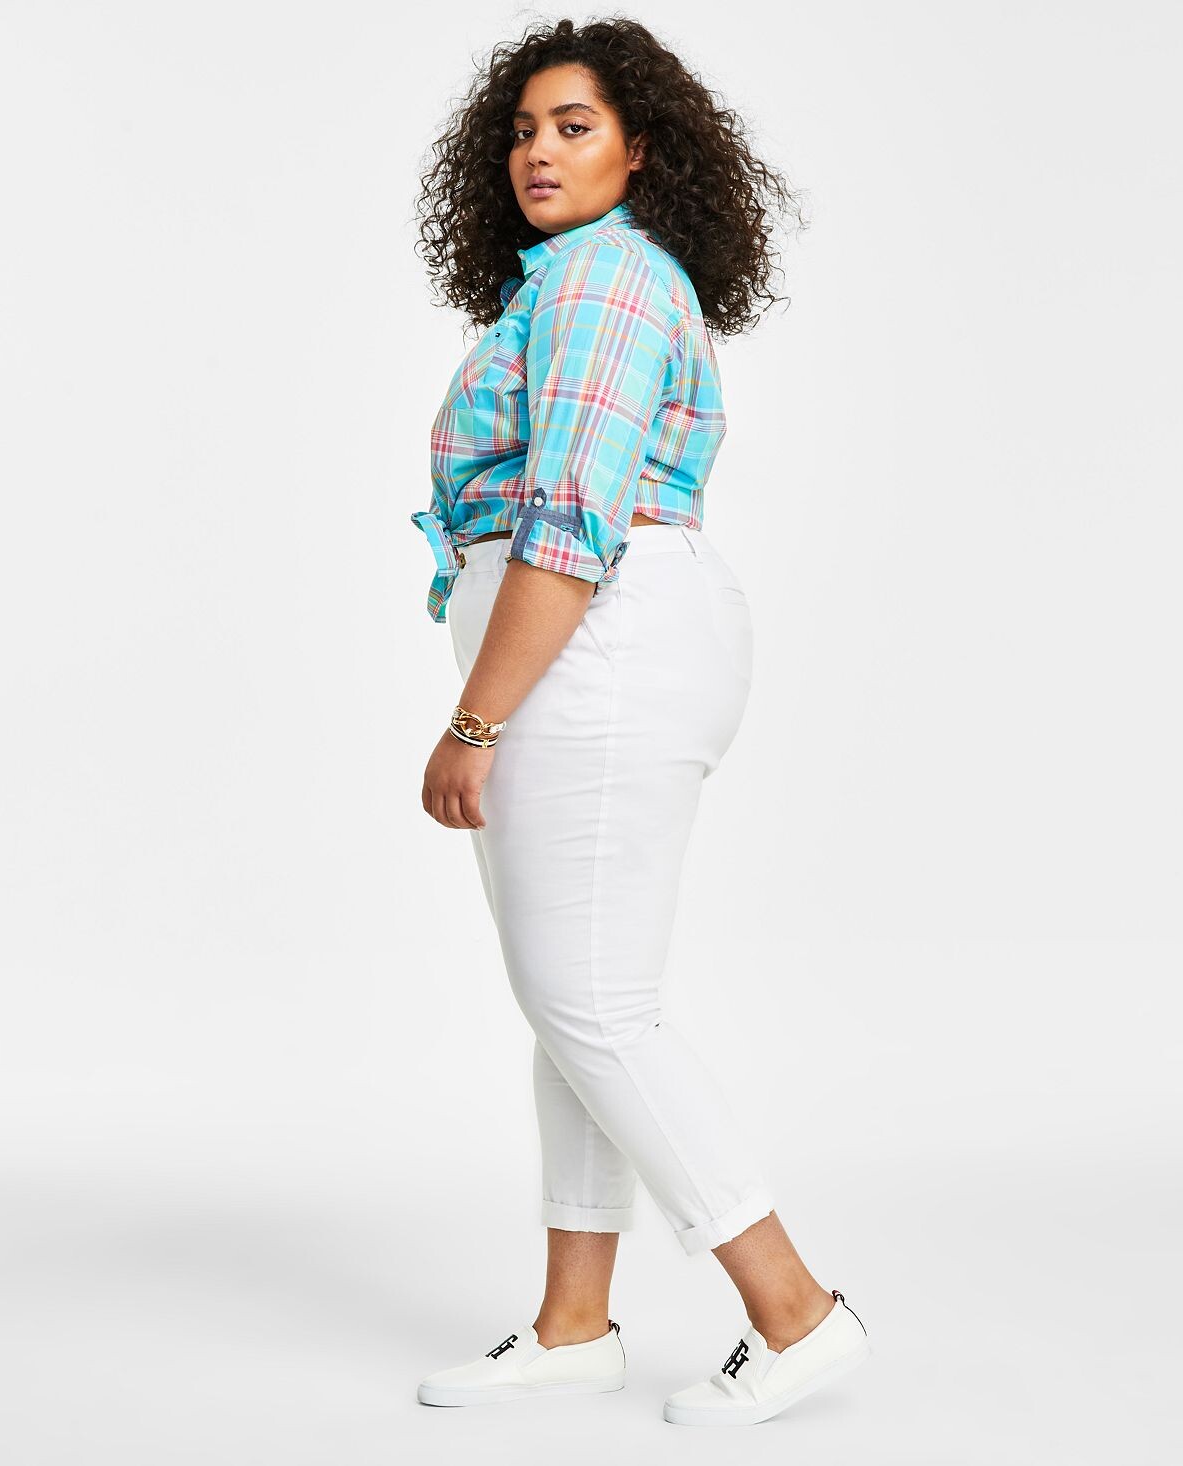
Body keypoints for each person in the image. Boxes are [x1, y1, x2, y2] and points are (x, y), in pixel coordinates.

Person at [408, 17, 871, 1427]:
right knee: (574, 996)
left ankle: (795, 1312)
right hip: (593, 648)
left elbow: (569, 523)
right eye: (523, 131)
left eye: (576, 127)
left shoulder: (608, 280)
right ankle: (575, 1325)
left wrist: (472, 724)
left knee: (591, 1000)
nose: (538, 153)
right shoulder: (570, 279)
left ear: (642, 150)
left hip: (597, 644)